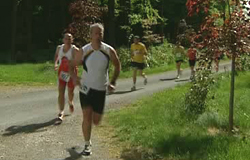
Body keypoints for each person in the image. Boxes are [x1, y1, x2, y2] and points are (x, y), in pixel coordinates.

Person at [70, 23, 121, 156]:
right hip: (86, 89)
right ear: (91, 35)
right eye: (96, 33)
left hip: (100, 89)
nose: (98, 36)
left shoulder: (108, 50)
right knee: (87, 116)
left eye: (101, 33)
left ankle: (91, 125)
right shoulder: (84, 50)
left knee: (96, 121)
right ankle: (87, 144)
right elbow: (72, 65)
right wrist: (75, 78)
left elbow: (117, 65)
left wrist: (113, 81)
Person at [54, 33, 79, 122]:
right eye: (66, 39)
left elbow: (80, 60)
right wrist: (56, 64)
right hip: (62, 72)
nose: (68, 41)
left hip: (71, 72)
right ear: (63, 39)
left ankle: (70, 101)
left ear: (72, 40)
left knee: (70, 91)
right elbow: (56, 57)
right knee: (61, 91)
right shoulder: (59, 48)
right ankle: (61, 112)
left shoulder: (74, 49)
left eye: (69, 39)